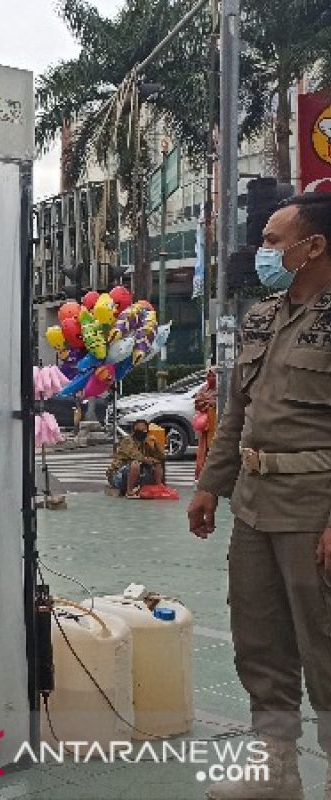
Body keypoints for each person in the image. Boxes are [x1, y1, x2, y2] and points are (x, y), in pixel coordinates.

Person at [188, 193, 331, 800]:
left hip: (313, 507)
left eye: (275, 240)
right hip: (253, 505)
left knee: (325, 646)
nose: (264, 251)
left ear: (314, 246)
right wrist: (209, 486)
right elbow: (236, 412)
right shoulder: (261, 316)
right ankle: (276, 769)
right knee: (260, 644)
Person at [106, 420, 165, 498]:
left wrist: (155, 444)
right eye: (139, 430)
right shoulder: (127, 440)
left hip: (137, 474)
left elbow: (161, 456)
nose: (142, 432)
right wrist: (147, 460)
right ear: (134, 430)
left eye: (144, 430)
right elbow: (135, 455)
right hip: (119, 474)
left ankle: (159, 488)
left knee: (157, 464)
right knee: (135, 464)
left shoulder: (147, 441)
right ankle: (129, 491)